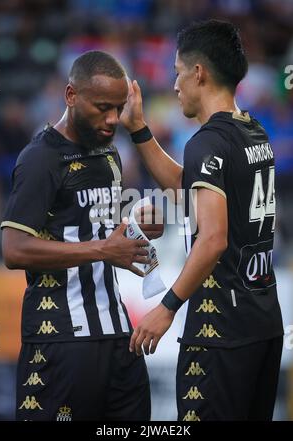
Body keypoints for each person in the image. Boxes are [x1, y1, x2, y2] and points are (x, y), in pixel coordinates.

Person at [121, 20, 284, 421]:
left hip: (220, 331)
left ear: (198, 73)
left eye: (177, 72)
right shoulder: (253, 131)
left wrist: (167, 307)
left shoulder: (207, 142)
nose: (174, 85)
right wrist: (140, 131)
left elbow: (212, 239)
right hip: (263, 323)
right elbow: (191, 189)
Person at [1, 50, 163, 421]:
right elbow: (14, 249)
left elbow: (97, 222)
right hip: (60, 336)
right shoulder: (39, 158)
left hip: (121, 334)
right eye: (103, 107)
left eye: (119, 108)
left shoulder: (109, 154)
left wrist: (139, 221)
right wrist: (106, 249)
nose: (112, 120)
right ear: (71, 96)